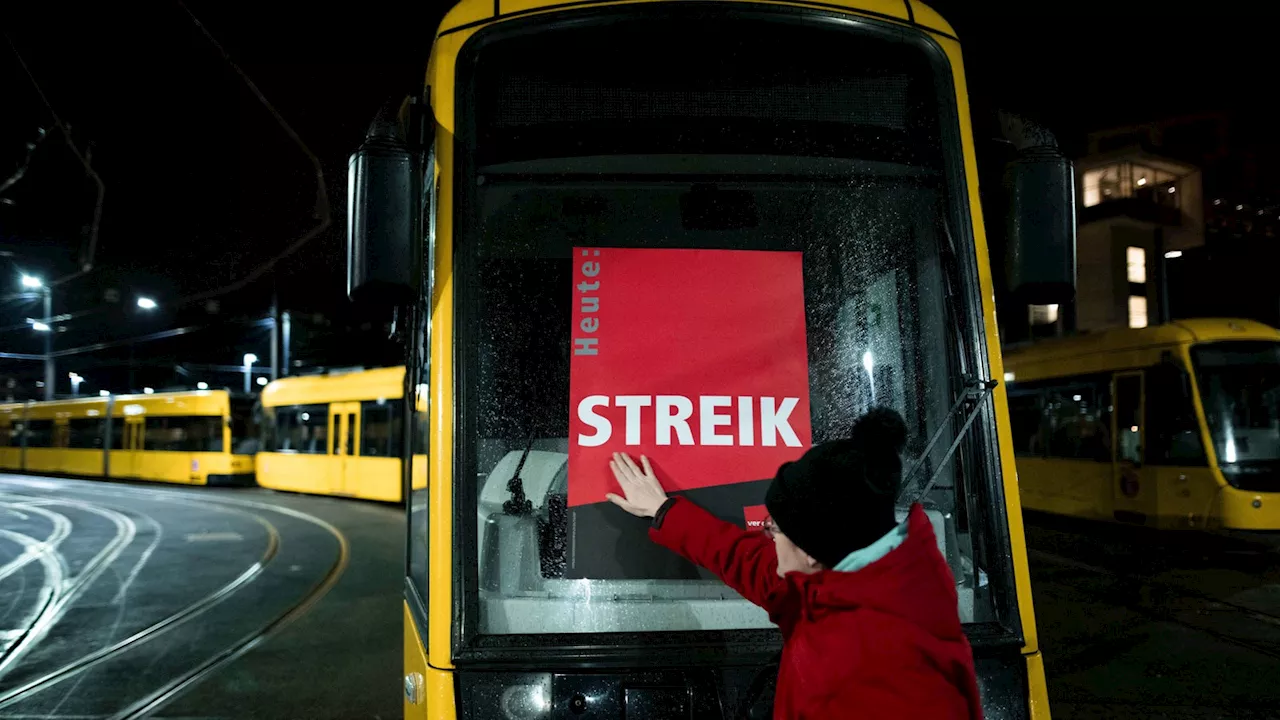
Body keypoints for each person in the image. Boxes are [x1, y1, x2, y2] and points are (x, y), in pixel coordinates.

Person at [607, 407, 982, 720]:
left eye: (774, 530)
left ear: (811, 551)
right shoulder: (849, 585)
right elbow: (750, 562)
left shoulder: (880, 674)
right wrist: (663, 511)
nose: (768, 541)